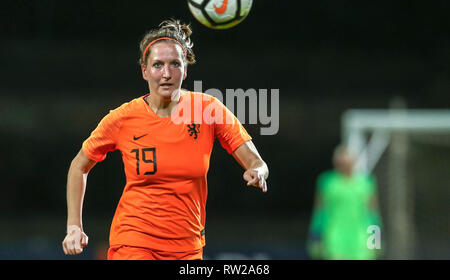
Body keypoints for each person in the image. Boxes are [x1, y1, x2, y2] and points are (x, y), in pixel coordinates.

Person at [62, 19, 269, 260]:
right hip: (133, 242)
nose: (166, 74)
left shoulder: (208, 109)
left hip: (188, 248)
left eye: (174, 65)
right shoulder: (123, 118)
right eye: (158, 65)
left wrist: (258, 172)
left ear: (185, 70)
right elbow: (79, 165)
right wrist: (73, 226)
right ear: (144, 70)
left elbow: (257, 162)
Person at [307, 145, 382, 260]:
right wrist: (315, 236)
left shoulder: (366, 183)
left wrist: (377, 239)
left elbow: (372, 213)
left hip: (361, 241)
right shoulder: (327, 181)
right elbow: (319, 211)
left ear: (354, 161)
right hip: (334, 240)